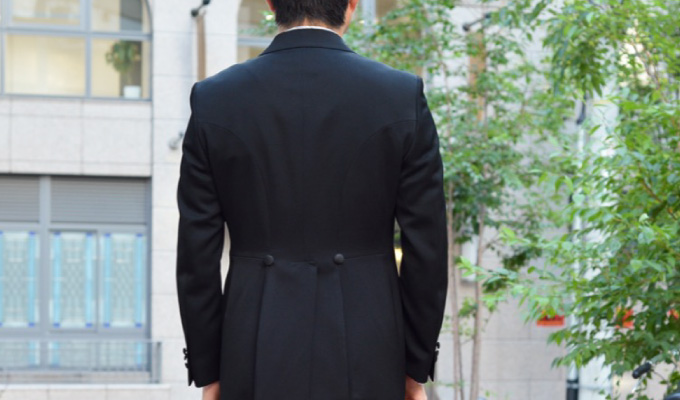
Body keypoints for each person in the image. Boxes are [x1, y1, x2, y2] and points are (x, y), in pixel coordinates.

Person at [175, 0, 448, 399]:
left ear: (271, 4)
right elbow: (427, 247)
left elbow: (196, 254)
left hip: (251, 343)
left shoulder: (214, 99)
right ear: (352, 5)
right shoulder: (400, 95)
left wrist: (208, 371)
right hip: (370, 345)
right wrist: (415, 365)